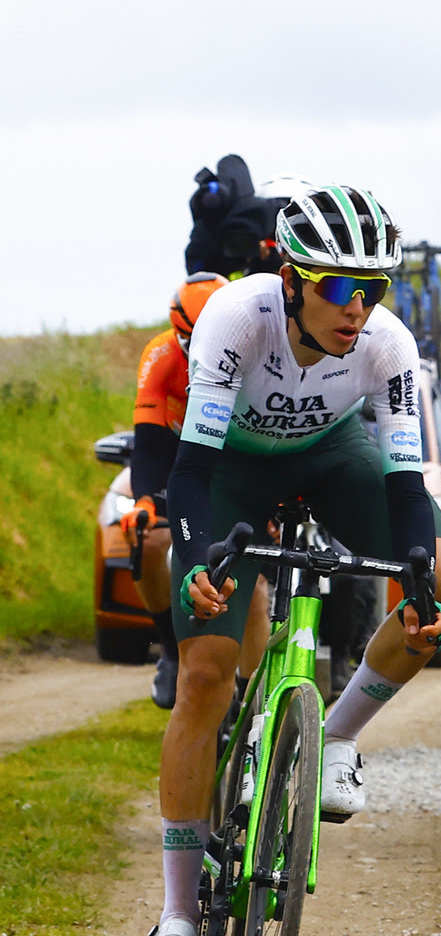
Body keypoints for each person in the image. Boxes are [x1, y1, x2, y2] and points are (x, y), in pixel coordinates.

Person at [136, 184, 441, 936]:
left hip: (331, 455)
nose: (358, 307)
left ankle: (339, 736)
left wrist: (419, 573)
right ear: (291, 279)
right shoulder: (233, 318)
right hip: (231, 471)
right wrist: (197, 558)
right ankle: (179, 916)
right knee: (205, 676)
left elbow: (400, 482)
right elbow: (190, 470)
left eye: (373, 288)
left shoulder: (385, 344)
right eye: (339, 287)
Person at [126, 275, 272, 709]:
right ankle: (171, 652)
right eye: (192, 341)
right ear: (178, 333)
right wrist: (145, 500)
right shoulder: (161, 355)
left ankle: (251, 700)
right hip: (181, 459)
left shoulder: (255, 349)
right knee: (149, 539)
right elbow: (149, 445)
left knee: (253, 582)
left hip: (241, 458)